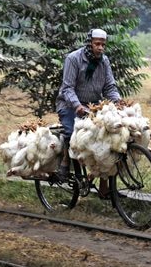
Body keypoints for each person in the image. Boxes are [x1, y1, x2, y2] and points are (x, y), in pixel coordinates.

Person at [55, 28, 121, 199]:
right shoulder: (73, 58)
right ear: (89, 44)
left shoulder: (104, 61)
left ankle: (105, 188)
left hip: (93, 106)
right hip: (69, 105)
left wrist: (118, 102)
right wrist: (77, 106)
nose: (100, 48)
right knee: (72, 133)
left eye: (103, 45)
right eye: (97, 44)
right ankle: (65, 159)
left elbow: (109, 87)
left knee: (107, 141)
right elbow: (67, 88)